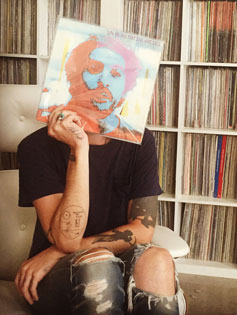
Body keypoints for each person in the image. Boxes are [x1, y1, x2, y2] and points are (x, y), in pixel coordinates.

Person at [15, 104, 186, 314]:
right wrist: (79, 149)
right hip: (57, 277)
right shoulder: (35, 146)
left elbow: (143, 230)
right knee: (98, 266)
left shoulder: (140, 139)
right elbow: (66, 239)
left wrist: (56, 252)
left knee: (158, 260)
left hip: (105, 256)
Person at [37, 35, 143, 143]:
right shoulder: (35, 144)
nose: (104, 81)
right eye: (94, 68)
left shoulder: (137, 139)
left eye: (115, 74)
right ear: (76, 76)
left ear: (125, 87)